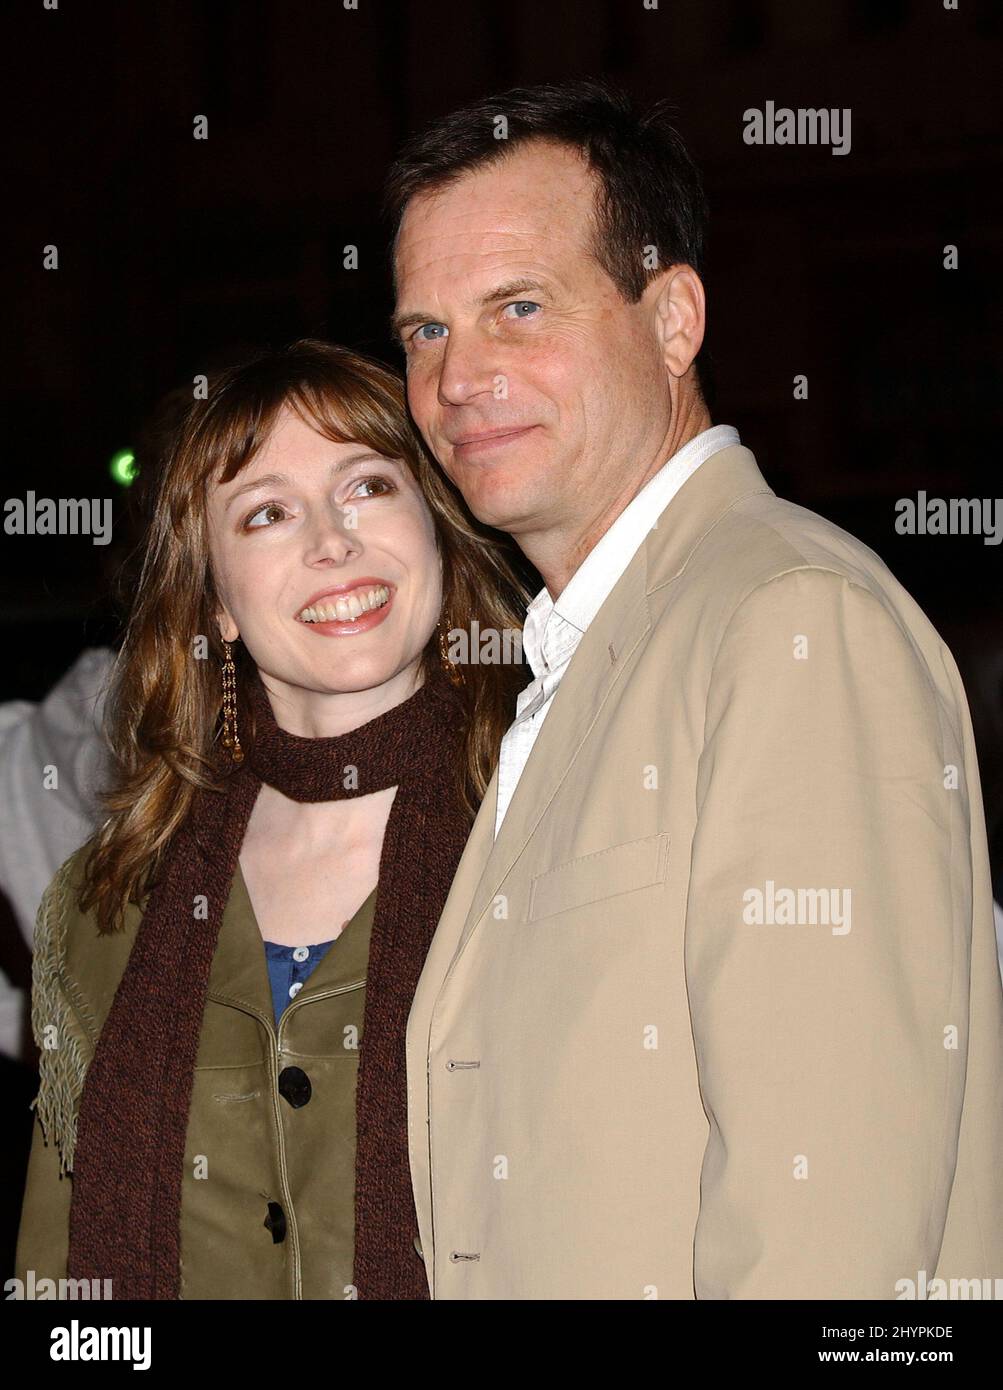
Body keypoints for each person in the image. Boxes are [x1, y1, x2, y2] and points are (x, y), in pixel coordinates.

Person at [384, 78, 1003, 1298]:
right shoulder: (604, 644)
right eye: (425, 331)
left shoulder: (788, 626)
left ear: (673, 321)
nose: (458, 378)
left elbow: (830, 1240)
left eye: (518, 307)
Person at [14, 338, 530, 1300]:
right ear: (215, 605)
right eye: (267, 513)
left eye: (368, 486)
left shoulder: (562, 838)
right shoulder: (108, 905)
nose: (331, 541)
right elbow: (56, 1271)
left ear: (436, 528)